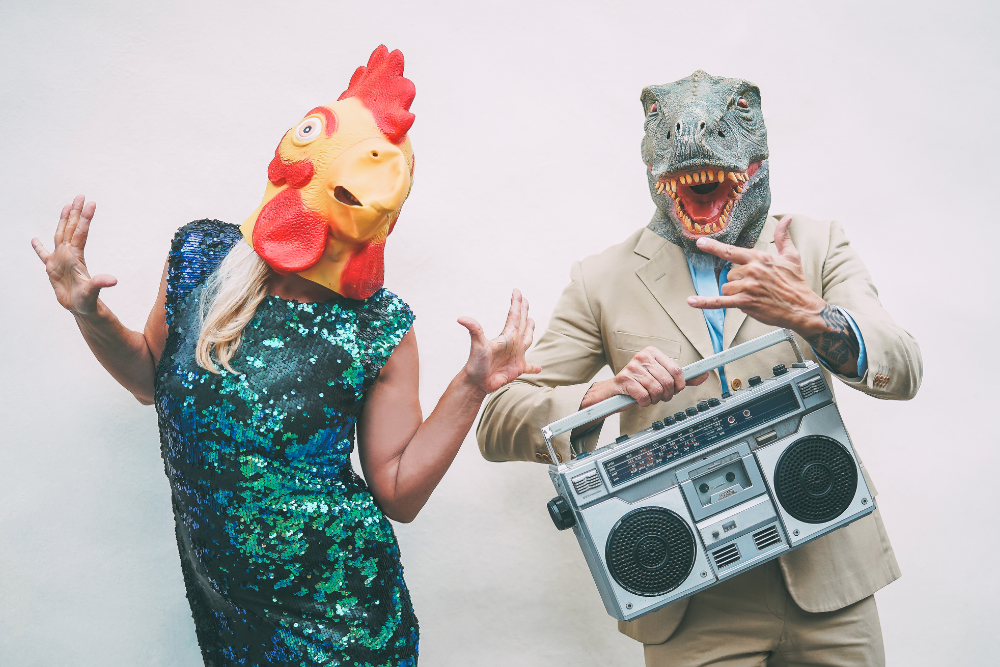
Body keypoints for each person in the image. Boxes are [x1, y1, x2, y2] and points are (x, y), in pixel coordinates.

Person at [31, 46, 539, 667]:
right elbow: (149, 379)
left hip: (345, 625)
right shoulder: (200, 258)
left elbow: (399, 492)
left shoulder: (378, 325)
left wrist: (472, 384)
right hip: (234, 623)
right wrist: (89, 310)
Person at [477, 70, 921, 666]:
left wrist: (812, 315)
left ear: (760, 147)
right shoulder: (601, 278)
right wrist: (603, 393)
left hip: (829, 577)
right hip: (685, 589)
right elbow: (500, 420)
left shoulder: (815, 245)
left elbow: (903, 366)